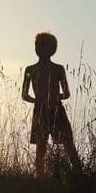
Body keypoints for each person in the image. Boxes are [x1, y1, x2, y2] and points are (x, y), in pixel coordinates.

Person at [21, 32, 82, 177]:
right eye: (37, 45)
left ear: (52, 48)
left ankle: (79, 173)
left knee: (68, 143)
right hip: (40, 110)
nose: (38, 48)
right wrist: (37, 100)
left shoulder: (59, 69)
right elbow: (24, 95)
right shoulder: (30, 70)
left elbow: (66, 93)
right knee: (41, 147)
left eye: (42, 44)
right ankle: (40, 178)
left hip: (57, 110)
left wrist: (54, 97)